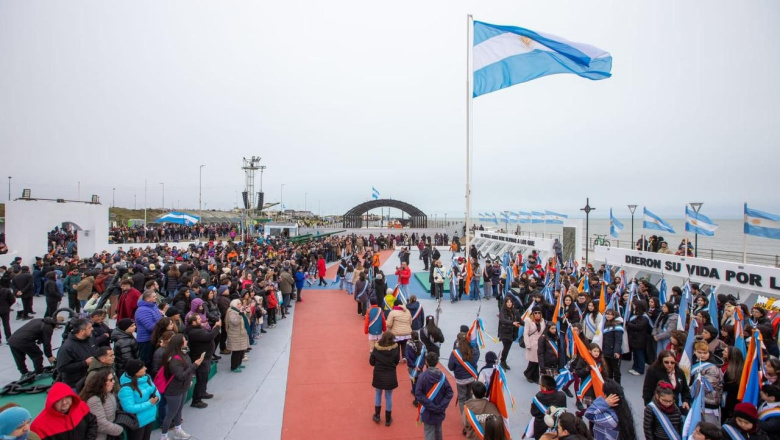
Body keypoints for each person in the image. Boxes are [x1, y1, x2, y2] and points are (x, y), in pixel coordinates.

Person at [160, 334, 204, 440]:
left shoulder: (183, 354)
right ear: (179, 343)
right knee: (171, 413)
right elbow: (181, 375)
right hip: (174, 390)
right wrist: (195, 364)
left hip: (183, 387)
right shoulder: (174, 360)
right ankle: (164, 436)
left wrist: (189, 380)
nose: (186, 342)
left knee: (179, 411)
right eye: (184, 340)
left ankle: (178, 431)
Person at [30, 382, 98, 440]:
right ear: (52, 402)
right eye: (59, 400)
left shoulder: (81, 407)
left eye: (67, 397)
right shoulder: (39, 427)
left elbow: (92, 423)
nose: (64, 402)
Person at [184, 313, 221, 408]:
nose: (201, 320)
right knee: (201, 379)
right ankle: (196, 400)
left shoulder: (197, 329)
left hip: (206, 357)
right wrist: (217, 327)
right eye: (198, 319)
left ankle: (203, 392)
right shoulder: (194, 332)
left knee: (204, 377)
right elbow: (209, 337)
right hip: (201, 358)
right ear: (193, 322)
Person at [415, 352, 454, 440]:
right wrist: (441, 406)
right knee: (438, 431)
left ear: (426, 362)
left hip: (427, 410)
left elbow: (418, 394)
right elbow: (450, 393)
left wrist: (431, 406)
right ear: (437, 362)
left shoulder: (422, 377)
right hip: (439, 411)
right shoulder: (443, 377)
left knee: (429, 432)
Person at [118, 359, 159, 440]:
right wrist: (150, 403)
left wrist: (157, 398)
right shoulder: (126, 388)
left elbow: (155, 390)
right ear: (135, 371)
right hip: (138, 422)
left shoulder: (147, 377)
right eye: (142, 367)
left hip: (150, 417)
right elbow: (129, 408)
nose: (146, 368)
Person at [80, 369, 123, 440]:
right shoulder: (94, 400)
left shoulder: (109, 394)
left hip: (110, 434)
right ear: (102, 382)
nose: (114, 382)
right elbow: (101, 424)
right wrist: (120, 429)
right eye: (111, 380)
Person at [56, 318, 98, 389]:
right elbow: (61, 368)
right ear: (82, 330)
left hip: (90, 382)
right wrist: (84, 363)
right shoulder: (67, 347)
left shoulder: (90, 340)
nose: (92, 329)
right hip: (75, 385)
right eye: (89, 327)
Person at [370, 331, 400, 426]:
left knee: (378, 394)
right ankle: (388, 419)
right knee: (388, 396)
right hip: (390, 375)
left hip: (379, 374)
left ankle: (377, 415)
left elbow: (372, 362)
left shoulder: (377, 347)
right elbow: (396, 361)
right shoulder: (395, 348)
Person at [691, 340, 723, 424]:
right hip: (699, 401)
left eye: (705, 353)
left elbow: (708, 386)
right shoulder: (694, 362)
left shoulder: (712, 367)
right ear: (695, 352)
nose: (702, 355)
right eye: (700, 352)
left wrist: (689, 390)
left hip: (709, 402)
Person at [449, 332, 479, 414]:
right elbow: (477, 356)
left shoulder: (455, 353)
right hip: (471, 377)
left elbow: (450, 367)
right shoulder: (473, 351)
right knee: (470, 396)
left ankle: (465, 418)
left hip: (461, 379)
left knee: (462, 399)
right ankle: (471, 415)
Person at [531, 375, 567, 440]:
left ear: (544, 388)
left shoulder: (538, 398)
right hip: (557, 426)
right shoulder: (562, 396)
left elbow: (533, 413)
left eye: (540, 384)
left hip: (541, 426)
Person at [134, 290, 161, 367]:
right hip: (146, 340)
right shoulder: (142, 310)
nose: (156, 298)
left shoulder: (154, 306)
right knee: (146, 361)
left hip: (153, 338)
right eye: (154, 297)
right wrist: (163, 326)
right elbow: (150, 326)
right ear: (147, 299)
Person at [626, 300, 651, 376]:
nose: (633, 306)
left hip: (640, 338)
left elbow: (639, 326)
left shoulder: (644, 317)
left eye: (634, 305)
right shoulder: (635, 315)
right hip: (634, 338)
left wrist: (628, 324)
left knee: (640, 354)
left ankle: (640, 369)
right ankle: (635, 367)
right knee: (635, 354)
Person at [225, 299, 249, 372]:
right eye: (238, 304)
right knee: (236, 352)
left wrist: (247, 312)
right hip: (235, 335)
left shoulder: (239, 311)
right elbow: (235, 322)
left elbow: (246, 319)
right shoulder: (232, 312)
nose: (240, 305)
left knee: (241, 350)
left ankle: (238, 364)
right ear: (234, 304)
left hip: (241, 334)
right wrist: (240, 313)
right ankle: (233, 367)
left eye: (240, 303)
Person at [497, 297, 521, 371]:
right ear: (505, 303)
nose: (509, 303)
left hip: (512, 332)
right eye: (508, 302)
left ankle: (503, 361)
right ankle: (502, 361)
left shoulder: (515, 311)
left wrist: (527, 324)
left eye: (510, 302)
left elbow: (520, 320)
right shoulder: (502, 311)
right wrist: (512, 323)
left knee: (507, 348)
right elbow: (503, 320)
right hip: (504, 332)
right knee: (506, 347)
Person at [601, 309, 624, 384]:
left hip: (613, 352)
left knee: (616, 371)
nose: (608, 315)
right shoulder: (604, 324)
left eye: (610, 314)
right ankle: (610, 385)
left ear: (614, 316)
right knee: (608, 370)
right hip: (605, 350)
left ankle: (618, 386)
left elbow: (618, 340)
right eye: (607, 314)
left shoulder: (617, 326)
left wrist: (616, 351)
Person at [524, 306, 546, 383]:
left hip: (540, 342)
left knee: (538, 360)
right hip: (532, 342)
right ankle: (528, 374)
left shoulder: (542, 321)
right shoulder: (528, 321)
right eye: (535, 313)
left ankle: (535, 376)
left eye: (539, 313)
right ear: (532, 314)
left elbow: (543, 332)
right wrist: (527, 344)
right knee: (533, 361)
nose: (537, 314)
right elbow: (526, 333)